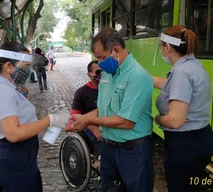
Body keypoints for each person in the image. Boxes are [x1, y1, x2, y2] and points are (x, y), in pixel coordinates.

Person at [66, 26, 154, 192]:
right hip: (109, 148)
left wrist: (88, 120)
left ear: (116, 50)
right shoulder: (107, 73)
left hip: (133, 151)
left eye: (102, 57)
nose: (100, 63)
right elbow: (103, 109)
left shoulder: (138, 76)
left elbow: (126, 122)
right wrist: (82, 119)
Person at [0, 41, 70, 192]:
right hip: (15, 160)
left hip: (22, 157)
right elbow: (14, 134)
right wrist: (50, 120)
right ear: (8, 66)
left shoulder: (6, 86)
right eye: (24, 67)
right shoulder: (2, 91)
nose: (27, 71)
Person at [153, 25, 213, 192]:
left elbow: (175, 121)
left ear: (167, 47)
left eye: (161, 46)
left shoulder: (182, 72)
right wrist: (143, 77)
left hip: (185, 146)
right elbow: (170, 86)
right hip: (202, 138)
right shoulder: (193, 65)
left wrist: (157, 119)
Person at [71, 60, 103, 154]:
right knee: (101, 142)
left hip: (106, 124)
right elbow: (75, 116)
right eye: (98, 72)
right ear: (89, 75)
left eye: (103, 71)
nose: (101, 74)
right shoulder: (81, 93)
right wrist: (93, 127)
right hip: (88, 126)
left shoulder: (109, 90)